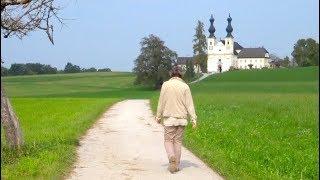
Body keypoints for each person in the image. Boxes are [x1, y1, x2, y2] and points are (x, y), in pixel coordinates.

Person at [155, 65, 197, 173]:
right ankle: (177, 165)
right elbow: (190, 105)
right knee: (178, 142)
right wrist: (193, 119)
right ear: (181, 74)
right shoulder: (185, 86)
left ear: (171, 74)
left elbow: (161, 102)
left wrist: (158, 116)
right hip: (182, 119)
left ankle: (171, 157)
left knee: (168, 140)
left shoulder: (165, 85)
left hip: (169, 119)